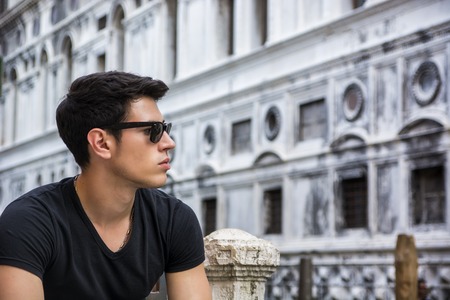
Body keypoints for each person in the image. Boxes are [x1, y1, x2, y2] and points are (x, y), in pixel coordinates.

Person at [0, 71, 212, 300]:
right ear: (101, 143)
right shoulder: (28, 223)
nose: (169, 143)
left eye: (165, 129)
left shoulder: (173, 220)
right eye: (152, 131)